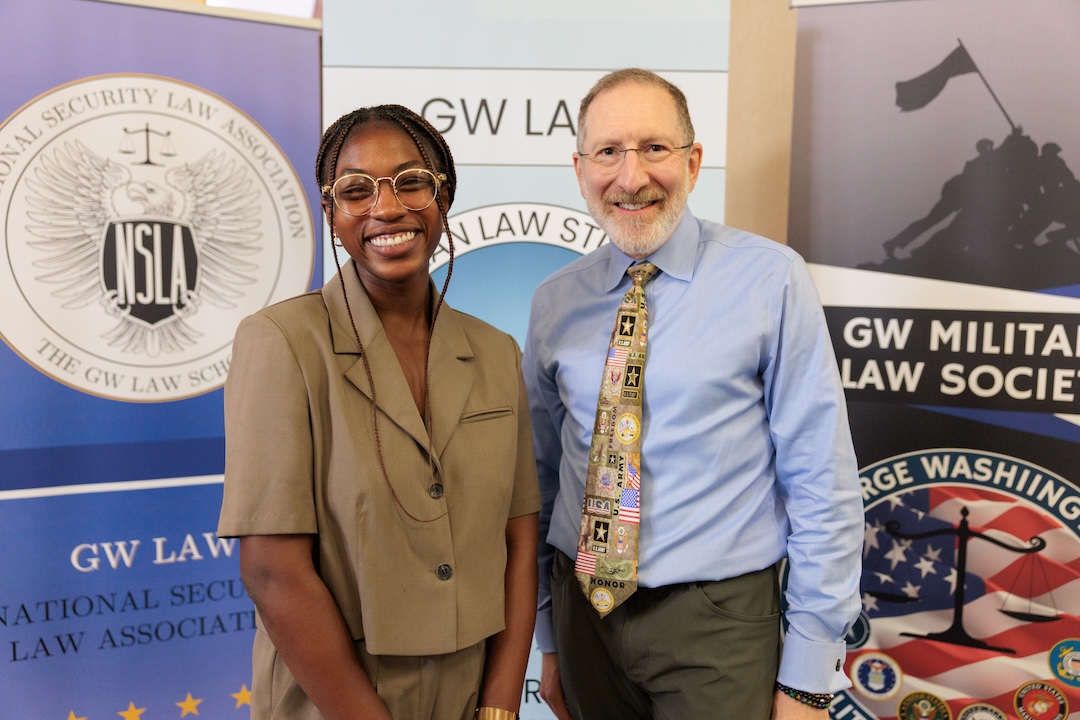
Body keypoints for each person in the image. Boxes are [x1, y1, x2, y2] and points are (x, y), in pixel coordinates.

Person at [523, 69, 863, 720]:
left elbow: (822, 481)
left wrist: (810, 672)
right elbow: (539, 484)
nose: (630, 177)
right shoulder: (554, 302)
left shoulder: (771, 280)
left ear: (693, 160)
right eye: (608, 152)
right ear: (580, 168)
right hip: (583, 613)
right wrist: (549, 637)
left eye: (654, 148)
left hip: (718, 623)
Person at [218, 105, 540, 720]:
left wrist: (500, 702)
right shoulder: (281, 343)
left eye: (412, 181)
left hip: (470, 695)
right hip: (334, 699)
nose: (386, 208)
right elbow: (271, 571)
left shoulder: (497, 352)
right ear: (332, 213)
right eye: (356, 190)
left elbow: (518, 539)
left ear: (443, 198)